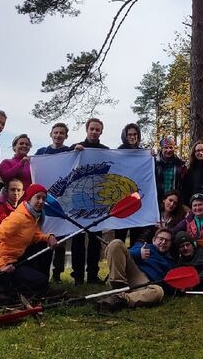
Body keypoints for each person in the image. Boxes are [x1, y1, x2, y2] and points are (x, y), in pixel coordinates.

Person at [0, 183, 59, 300]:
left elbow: (34, 235)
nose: (41, 201)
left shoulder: (32, 215)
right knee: (39, 282)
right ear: (29, 199)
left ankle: (35, 286)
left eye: (44, 198)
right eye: (38, 197)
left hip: (15, 261)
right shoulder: (19, 218)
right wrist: (1, 266)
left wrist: (49, 237)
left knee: (43, 246)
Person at [97, 227, 175, 312]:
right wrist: (139, 253)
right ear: (154, 240)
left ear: (170, 244)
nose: (163, 242)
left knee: (158, 291)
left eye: (167, 241)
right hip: (131, 272)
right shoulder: (144, 246)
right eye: (161, 239)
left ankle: (119, 299)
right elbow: (125, 252)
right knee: (116, 243)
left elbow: (169, 284)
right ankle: (118, 286)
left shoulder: (170, 262)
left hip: (144, 283)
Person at [69, 118, 108, 285]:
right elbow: (64, 164)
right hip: (78, 198)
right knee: (77, 238)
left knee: (95, 239)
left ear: (101, 132)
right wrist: (73, 152)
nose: (94, 132)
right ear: (87, 129)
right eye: (92, 129)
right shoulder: (76, 147)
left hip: (97, 199)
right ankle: (77, 276)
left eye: (97, 129)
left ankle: (92, 275)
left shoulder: (106, 150)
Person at [35, 122, 71, 281]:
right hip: (44, 200)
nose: (58, 135)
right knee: (44, 237)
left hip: (62, 201)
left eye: (61, 133)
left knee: (61, 240)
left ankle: (57, 274)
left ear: (66, 136)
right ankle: (42, 272)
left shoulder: (69, 152)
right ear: (51, 134)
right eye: (56, 132)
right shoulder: (41, 152)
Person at [182, 141, 203, 207]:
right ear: (194, 153)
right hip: (194, 207)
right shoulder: (190, 170)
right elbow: (186, 190)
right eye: (198, 151)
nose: (200, 153)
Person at [153, 136, 187, 201]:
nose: (168, 150)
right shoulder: (154, 164)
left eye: (171, 147)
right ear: (161, 149)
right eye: (165, 147)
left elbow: (183, 185)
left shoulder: (180, 164)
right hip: (157, 200)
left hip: (173, 202)